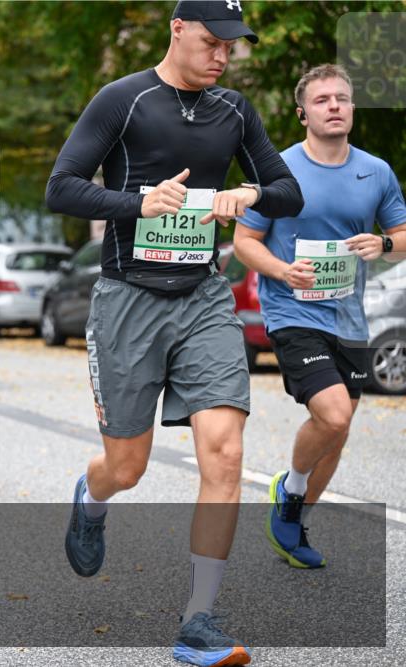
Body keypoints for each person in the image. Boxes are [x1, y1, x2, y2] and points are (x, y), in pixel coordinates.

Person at [45, 2, 305, 665]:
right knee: (126, 466)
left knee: (224, 452)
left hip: (202, 297)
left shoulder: (235, 111)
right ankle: (92, 495)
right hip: (128, 300)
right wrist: (139, 202)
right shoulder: (123, 100)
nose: (223, 54)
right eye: (213, 40)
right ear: (178, 30)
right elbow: (62, 188)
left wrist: (248, 196)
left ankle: (199, 620)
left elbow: (286, 189)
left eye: (232, 45)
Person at [234, 64, 406, 569]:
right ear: (302, 112)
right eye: (323, 99)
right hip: (293, 311)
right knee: (333, 413)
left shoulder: (375, 171)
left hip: (350, 317)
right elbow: (245, 242)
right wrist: (284, 272)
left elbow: (403, 234)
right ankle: (289, 486)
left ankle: (294, 521)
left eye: (343, 98)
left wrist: (385, 242)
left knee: (340, 427)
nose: (334, 106)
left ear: (352, 109)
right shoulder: (279, 171)